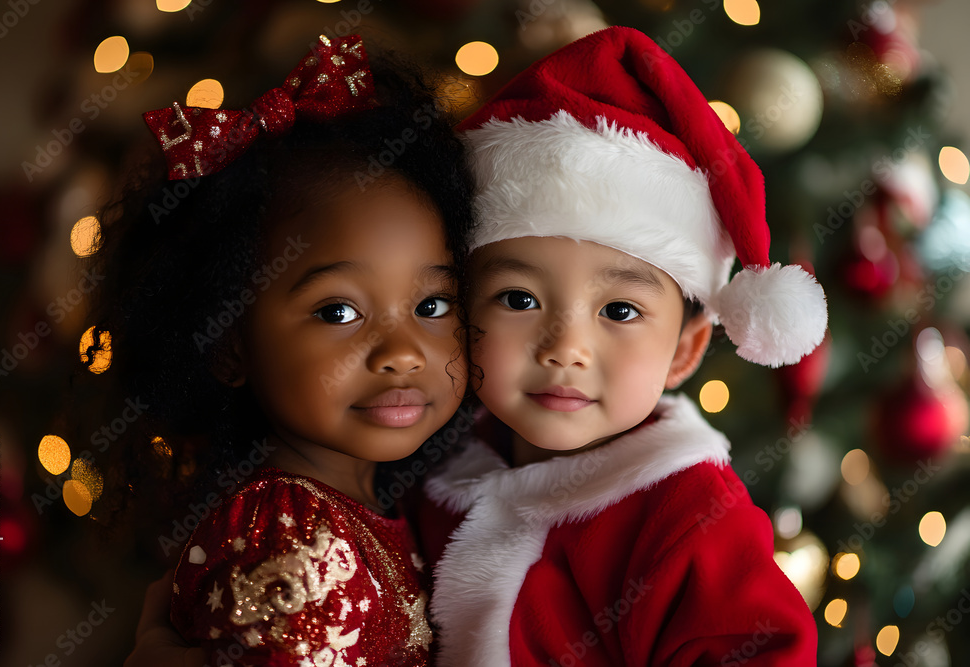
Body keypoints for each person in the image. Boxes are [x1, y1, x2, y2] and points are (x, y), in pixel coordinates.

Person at [418, 26, 826, 666]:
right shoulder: (431, 457)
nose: (565, 348)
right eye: (519, 299)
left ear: (685, 352)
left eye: (619, 310)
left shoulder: (688, 516)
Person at [94, 34, 476, 666]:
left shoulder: (378, 503)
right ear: (230, 347)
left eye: (432, 306)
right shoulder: (288, 526)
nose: (404, 351)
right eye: (338, 312)